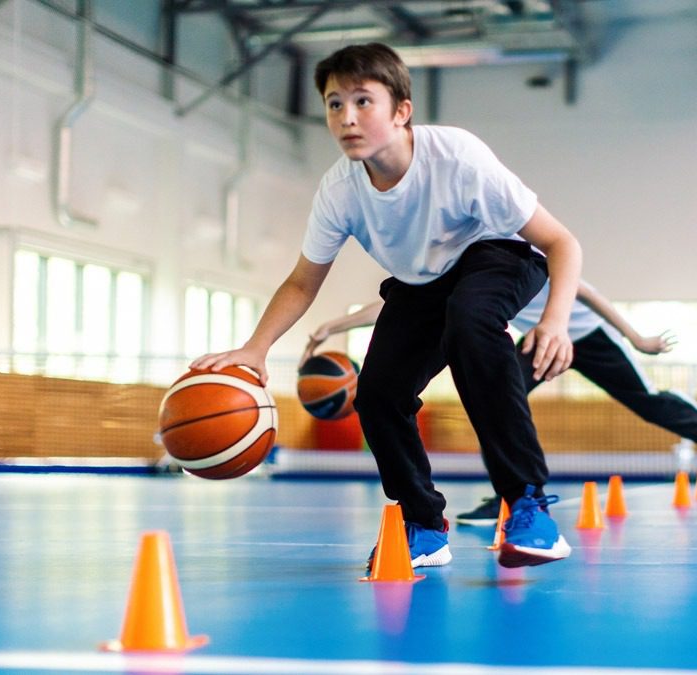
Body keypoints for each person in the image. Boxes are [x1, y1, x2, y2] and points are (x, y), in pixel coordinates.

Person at [192, 43, 583, 569]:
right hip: (421, 281)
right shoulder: (340, 192)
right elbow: (302, 282)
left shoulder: (458, 157)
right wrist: (255, 349)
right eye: (334, 104)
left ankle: (528, 502)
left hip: (499, 254)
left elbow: (561, 243)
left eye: (362, 101)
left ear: (402, 111)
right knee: (377, 395)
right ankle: (423, 523)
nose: (347, 118)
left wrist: (556, 322)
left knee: (471, 324)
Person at [302, 279, 697, 526]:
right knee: (494, 398)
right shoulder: (458, 266)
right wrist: (337, 326)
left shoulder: (517, 246)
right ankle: (514, 495)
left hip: (583, 335)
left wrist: (637, 336)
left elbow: (584, 289)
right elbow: (401, 307)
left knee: (646, 403)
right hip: (540, 341)